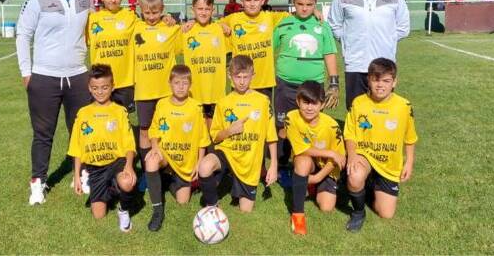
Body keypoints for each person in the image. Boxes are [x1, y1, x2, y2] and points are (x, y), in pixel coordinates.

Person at [16, 0, 93, 205]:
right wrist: (27, 73)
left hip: (78, 76)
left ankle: (81, 174)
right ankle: (38, 182)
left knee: (80, 130)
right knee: (43, 134)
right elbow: (23, 35)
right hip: (44, 77)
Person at [272, 0, 339, 186]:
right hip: (285, 84)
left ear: (315, 4)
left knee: (310, 125)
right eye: (300, 3)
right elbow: (269, 50)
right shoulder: (283, 24)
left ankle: (309, 165)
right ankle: (283, 167)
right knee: (283, 126)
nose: (304, 8)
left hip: (312, 86)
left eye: (309, 4)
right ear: (294, 3)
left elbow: (329, 54)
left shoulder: (321, 26)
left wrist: (334, 83)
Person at [328, 0, 410, 110]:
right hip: (355, 64)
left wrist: (387, 41)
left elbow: (403, 27)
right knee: (356, 111)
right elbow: (333, 24)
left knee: (383, 112)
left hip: (384, 64)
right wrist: (348, 41)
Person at [197, 55, 278, 213]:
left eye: (245, 77)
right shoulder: (223, 103)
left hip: (249, 162)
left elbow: (272, 136)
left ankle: (234, 181)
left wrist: (273, 164)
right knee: (205, 167)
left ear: (252, 76)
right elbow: (215, 137)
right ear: (229, 76)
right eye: (237, 77)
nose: (241, 81)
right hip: (227, 152)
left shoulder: (263, 101)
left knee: (245, 210)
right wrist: (229, 131)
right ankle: (212, 207)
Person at [344, 58, 417, 231]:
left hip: (389, 163)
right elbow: (350, 134)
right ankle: (358, 212)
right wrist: (352, 156)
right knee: (354, 175)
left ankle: (370, 185)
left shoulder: (404, 106)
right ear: (368, 79)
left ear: (394, 82)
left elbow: (410, 137)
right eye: (376, 80)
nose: (380, 85)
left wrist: (409, 162)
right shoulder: (358, 103)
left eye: (386, 81)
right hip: (365, 155)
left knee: (386, 214)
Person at [69, 64, 137, 232]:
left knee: (127, 182)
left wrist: (129, 166)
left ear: (112, 87)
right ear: (89, 89)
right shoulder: (83, 113)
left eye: (105, 87)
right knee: (99, 215)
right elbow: (77, 147)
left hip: (116, 163)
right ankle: (110, 188)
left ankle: (123, 209)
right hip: (95, 168)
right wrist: (76, 175)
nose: (100, 92)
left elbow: (129, 144)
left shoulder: (120, 111)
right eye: (95, 88)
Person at [144, 64, 210, 231]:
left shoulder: (196, 107)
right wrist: (154, 147)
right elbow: (154, 129)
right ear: (170, 83)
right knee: (151, 161)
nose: (180, 87)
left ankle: (168, 181)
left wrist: (199, 162)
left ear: (190, 85)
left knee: (183, 202)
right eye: (177, 83)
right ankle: (158, 210)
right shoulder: (162, 104)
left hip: (185, 161)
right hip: (165, 155)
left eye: (185, 83)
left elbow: (203, 138)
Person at [132, 0, 182, 186]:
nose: (151, 17)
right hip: (144, 91)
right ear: (140, 11)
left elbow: (186, 37)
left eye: (155, 13)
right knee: (144, 132)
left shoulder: (170, 28)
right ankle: (147, 172)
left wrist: (172, 21)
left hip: (166, 93)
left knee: (167, 131)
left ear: (162, 10)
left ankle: (171, 167)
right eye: (147, 13)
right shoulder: (135, 27)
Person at [285, 80, 346, 235]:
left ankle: (310, 185)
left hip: (327, 168)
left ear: (322, 104)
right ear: (298, 102)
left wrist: (317, 178)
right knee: (302, 160)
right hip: (308, 162)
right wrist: (330, 152)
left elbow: (339, 159)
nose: (309, 107)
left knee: (326, 207)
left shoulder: (332, 126)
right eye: (305, 102)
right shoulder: (291, 118)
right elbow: (301, 149)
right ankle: (298, 215)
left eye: (314, 103)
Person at [220, 0, 291, 103]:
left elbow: (296, 15)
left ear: (262, 1)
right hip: (240, 80)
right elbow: (209, 24)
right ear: (242, 2)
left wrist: (314, 12)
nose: (252, 4)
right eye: (248, 1)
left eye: (256, 0)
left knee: (262, 118)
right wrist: (221, 25)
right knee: (240, 116)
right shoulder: (233, 19)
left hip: (264, 81)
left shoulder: (270, 17)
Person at [87, 0, 137, 113]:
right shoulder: (92, 19)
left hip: (124, 81)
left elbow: (150, 25)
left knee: (123, 123)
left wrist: (165, 17)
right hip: (100, 82)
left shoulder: (130, 16)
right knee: (101, 123)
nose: (113, 0)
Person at [183, 0, 230, 124]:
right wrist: (165, 16)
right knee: (197, 129)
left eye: (207, 9)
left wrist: (225, 26)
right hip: (194, 92)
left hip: (216, 92)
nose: (203, 12)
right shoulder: (186, 30)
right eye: (200, 9)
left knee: (213, 129)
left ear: (213, 10)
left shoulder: (220, 30)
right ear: (193, 9)